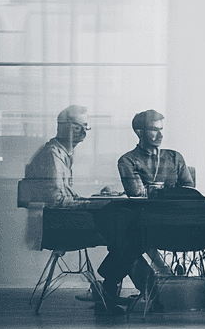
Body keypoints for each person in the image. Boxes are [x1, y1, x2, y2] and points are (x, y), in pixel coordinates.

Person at [22, 105, 152, 315]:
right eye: (77, 127)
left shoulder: (62, 153)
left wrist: (98, 199)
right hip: (54, 226)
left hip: (59, 219)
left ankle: (109, 289)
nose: (83, 132)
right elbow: (57, 202)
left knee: (124, 227)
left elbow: (64, 196)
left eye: (86, 127)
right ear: (62, 127)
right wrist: (96, 203)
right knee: (124, 230)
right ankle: (143, 290)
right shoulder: (52, 155)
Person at [117, 109, 195, 197]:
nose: (160, 135)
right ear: (139, 132)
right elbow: (137, 193)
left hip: (175, 209)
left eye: (161, 129)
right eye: (154, 129)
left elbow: (189, 191)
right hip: (145, 209)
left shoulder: (175, 157)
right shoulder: (128, 160)